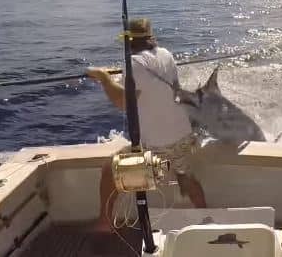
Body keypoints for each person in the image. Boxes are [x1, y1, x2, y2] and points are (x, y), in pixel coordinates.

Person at [87, 18, 206, 231]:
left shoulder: (132, 64)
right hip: (183, 136)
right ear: (151, 38)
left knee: (108, 170)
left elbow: (123, 103)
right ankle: (206, 217)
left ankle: (105, 224)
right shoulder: (166, 54)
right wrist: (125, 76)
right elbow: (167, 87)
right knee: (185, 176)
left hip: (156, 146)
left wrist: (105, 79)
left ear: (128, 42)